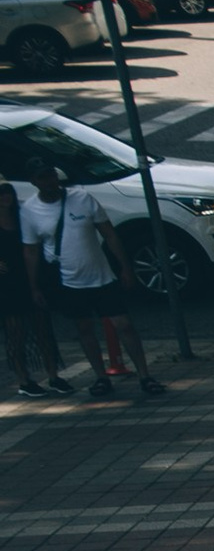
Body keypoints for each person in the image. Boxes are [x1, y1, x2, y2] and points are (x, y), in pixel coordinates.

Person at [23, 161, 160, 399]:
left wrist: (125, 267)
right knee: (84, 328)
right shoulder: (30, 211)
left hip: (102, 276)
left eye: (51, 175)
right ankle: (101, 377)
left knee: (124, 325)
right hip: (69, 280)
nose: (49, 181)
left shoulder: (82, 199)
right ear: (34, 182)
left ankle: (144, 375)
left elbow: (109, 233)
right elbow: (31, 250)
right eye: (43, 178)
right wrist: (34, 286)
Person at [1, 183, 74, 400]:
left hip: (30, 277)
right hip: (7, 283)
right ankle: (24, 380)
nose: (5, 197)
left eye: (7, 193)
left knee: (43, 329)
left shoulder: (22, 216)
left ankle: (54, 375)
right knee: (16, 334)